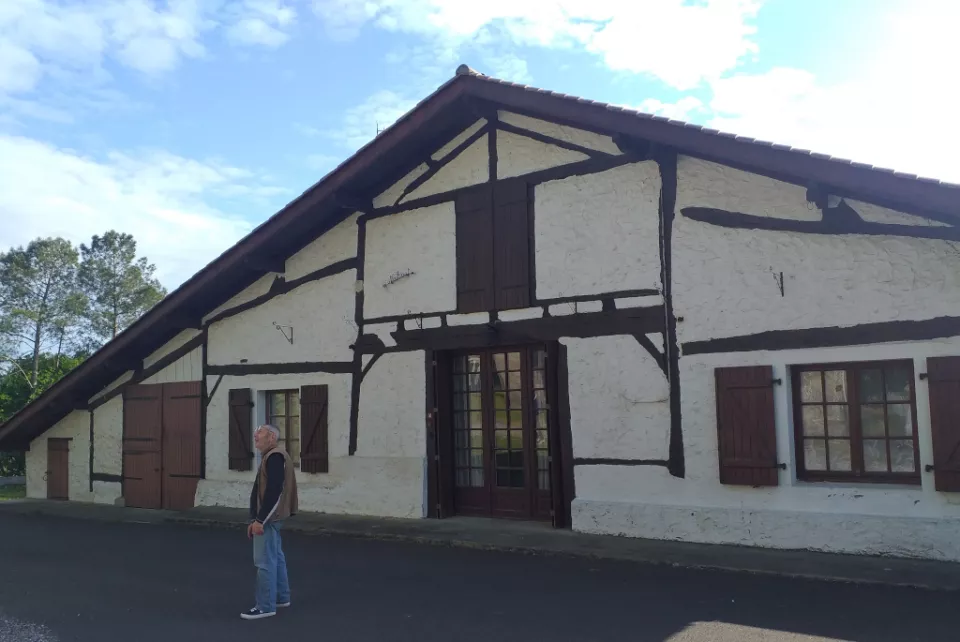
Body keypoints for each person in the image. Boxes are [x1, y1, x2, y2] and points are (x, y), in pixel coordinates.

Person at [241, 423, 299, 620]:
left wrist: (259, 520)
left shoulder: (274, 456)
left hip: (269, 518)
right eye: (255, 431)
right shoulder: (273, 456)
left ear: (272, 437)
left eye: (260, 431)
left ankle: (265, 606)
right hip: (272, 517)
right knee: (276, 556)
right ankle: (281, 597)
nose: (255, 435)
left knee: (264, 561)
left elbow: (275, 490)